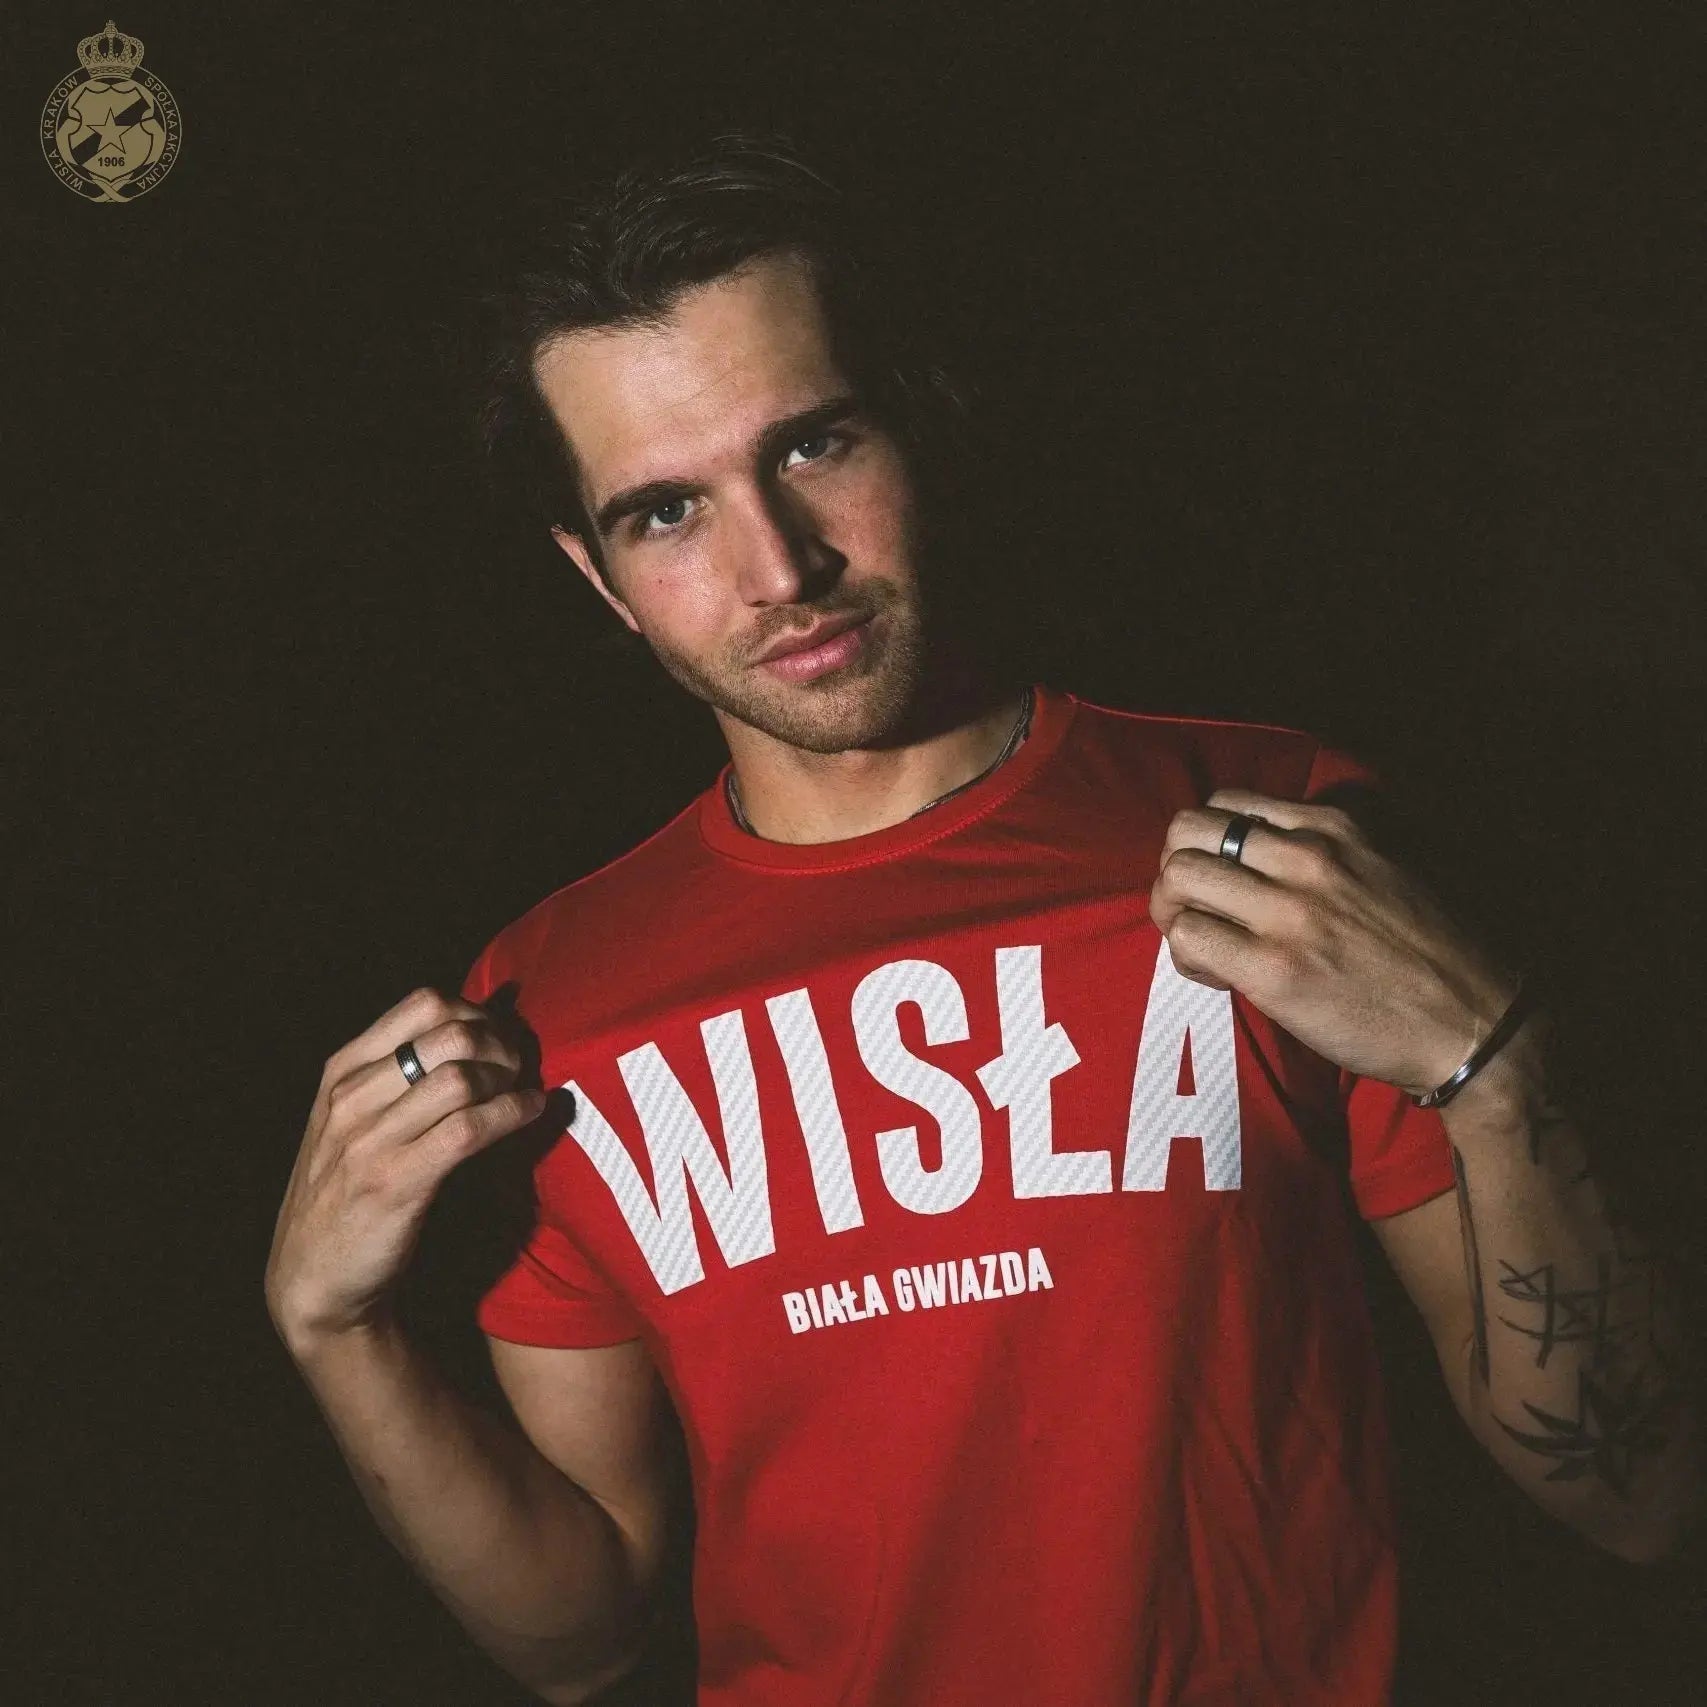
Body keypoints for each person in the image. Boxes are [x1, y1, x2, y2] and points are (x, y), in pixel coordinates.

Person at [264, 132, 1698, 1706]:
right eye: (666, 512)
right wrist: (336, 1329)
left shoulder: (1276, 825)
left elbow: (1636, 1502)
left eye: (812, 447)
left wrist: (1494, 1068)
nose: (778, 568)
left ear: (920, 426)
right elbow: (581, 1638)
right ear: (596, 577)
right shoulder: (552, 993)